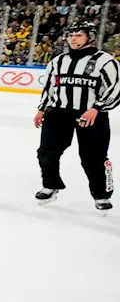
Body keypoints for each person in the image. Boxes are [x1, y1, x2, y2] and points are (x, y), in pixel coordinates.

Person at [34, 23, 119, 212]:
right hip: (58, 112)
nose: (73, 39)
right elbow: (49, 88)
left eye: (79, 35)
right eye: (70, 35)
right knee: (47, 152)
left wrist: (97, 107)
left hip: (91, 114)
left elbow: (115, 89)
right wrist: (42, 109)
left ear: (90, 37)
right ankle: (51, 185)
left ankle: (102, 195)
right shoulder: (58, 61)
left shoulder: (105, 61)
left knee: (93, 157)